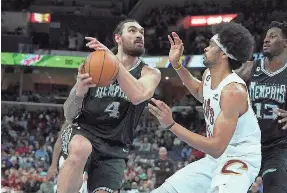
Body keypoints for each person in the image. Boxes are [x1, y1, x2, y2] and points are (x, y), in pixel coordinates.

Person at [148, 22, 261, 193]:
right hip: (214, 159)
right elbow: (200, 92)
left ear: (223, 54)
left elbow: (216, 147)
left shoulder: (233, 91)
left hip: (239, 158)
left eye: (211, 45)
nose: (205, 48)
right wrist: (177, 65)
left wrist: (171, 124)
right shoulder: (209, 75)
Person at [57, 19, 161, 193]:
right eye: (133, 31)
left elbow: (137, 96)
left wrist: (113, 62)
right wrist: (80, 90)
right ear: (118, 38)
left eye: (142, 32)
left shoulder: (150, 73)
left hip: (115, 147)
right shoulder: (94, 64)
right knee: (81, 148)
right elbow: (68, 114)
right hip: (83, 134)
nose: (139, 35)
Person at [236, 21, 287, 192]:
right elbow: (221, 84)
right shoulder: (251, 67)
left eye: (273, 36)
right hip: (247, 144)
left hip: (278, 146)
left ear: (285, 42)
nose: (266, 40)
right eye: (266, 36)